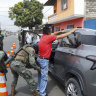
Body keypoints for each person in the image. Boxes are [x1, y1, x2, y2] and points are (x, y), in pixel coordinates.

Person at [36, 27, 78, 96]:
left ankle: (39, 88)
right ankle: (42, 93)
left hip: (39, 59)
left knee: (40, 75)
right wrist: (71, 32)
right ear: (48, 33)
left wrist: (60, 31)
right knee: (44, 77)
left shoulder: (43, 36)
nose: (51, 33)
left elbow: (53, 33)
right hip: (44, 60)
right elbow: (61, 36)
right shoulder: (49, 38)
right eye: (50, 31)